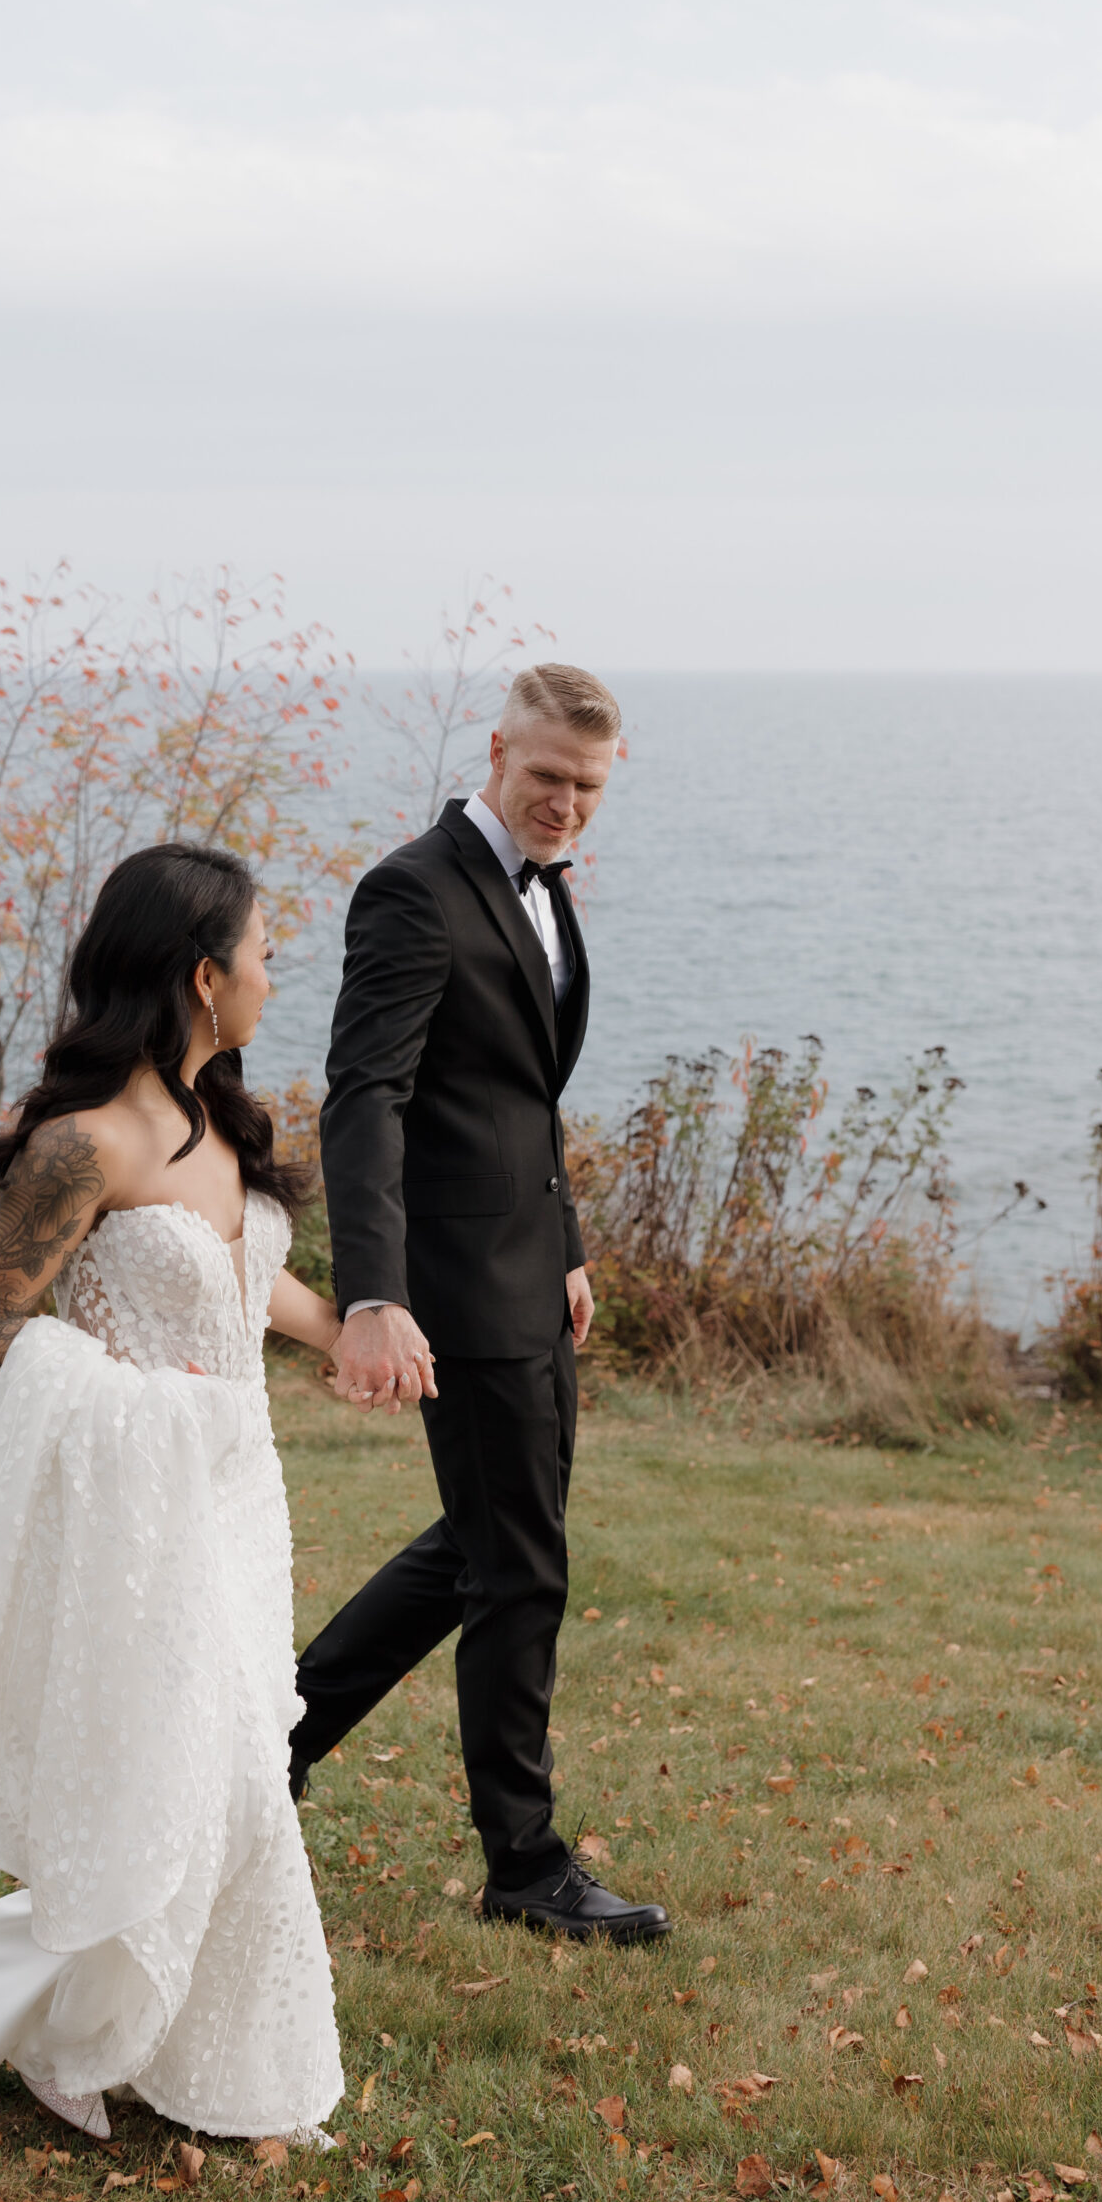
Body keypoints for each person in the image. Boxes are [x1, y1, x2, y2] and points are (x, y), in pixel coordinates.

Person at [0, 843, 346, 2143]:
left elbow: (249, 1286)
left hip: (238, 1500)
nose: (269, 975)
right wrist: (131, 1404)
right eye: (259, 954)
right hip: (139, 1505)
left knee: (214, 1771)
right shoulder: (84, 1145)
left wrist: (348, 1332)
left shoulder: (220, 1126)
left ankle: (129, 2036)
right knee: (210, 1776)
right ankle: (110, 2043)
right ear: (202, 977)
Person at [291, 663, 671, 1946]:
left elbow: (517, 1095)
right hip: (454, 1285)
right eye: (548, 777)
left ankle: (271, 1740)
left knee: (483, 1542)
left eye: (589, 787)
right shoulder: (413, 887)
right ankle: (525, 1862)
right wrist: (373, 1294)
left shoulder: (548, 888)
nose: (566, 804)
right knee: (521, 1570)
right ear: (498, 751)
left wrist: (562, 1237)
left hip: (528, 1270)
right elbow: (367, 1096)